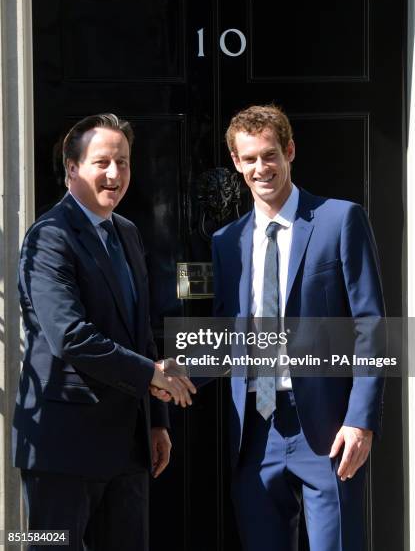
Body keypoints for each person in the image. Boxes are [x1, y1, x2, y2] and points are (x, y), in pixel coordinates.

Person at [13, 114, 195, 551]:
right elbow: (70, 336)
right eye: (102, 162)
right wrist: (152, 374)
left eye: (124, 163)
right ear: (71, 167)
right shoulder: (49, 237)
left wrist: (157, 422)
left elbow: (139, 332)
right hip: (60, 448)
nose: (115, 174)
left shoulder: (127, 233)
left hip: (126, 447)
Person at [212, 105, 385, 551]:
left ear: (289, 151)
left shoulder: (339, 219)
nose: (260, 168)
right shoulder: (226, 242)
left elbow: (370, 325)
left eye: (269, 155)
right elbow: (226, 333)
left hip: (327, 428)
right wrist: (165, 372)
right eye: (249, 159)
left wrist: (360, 421)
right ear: (236, 162)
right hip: (254, 430)